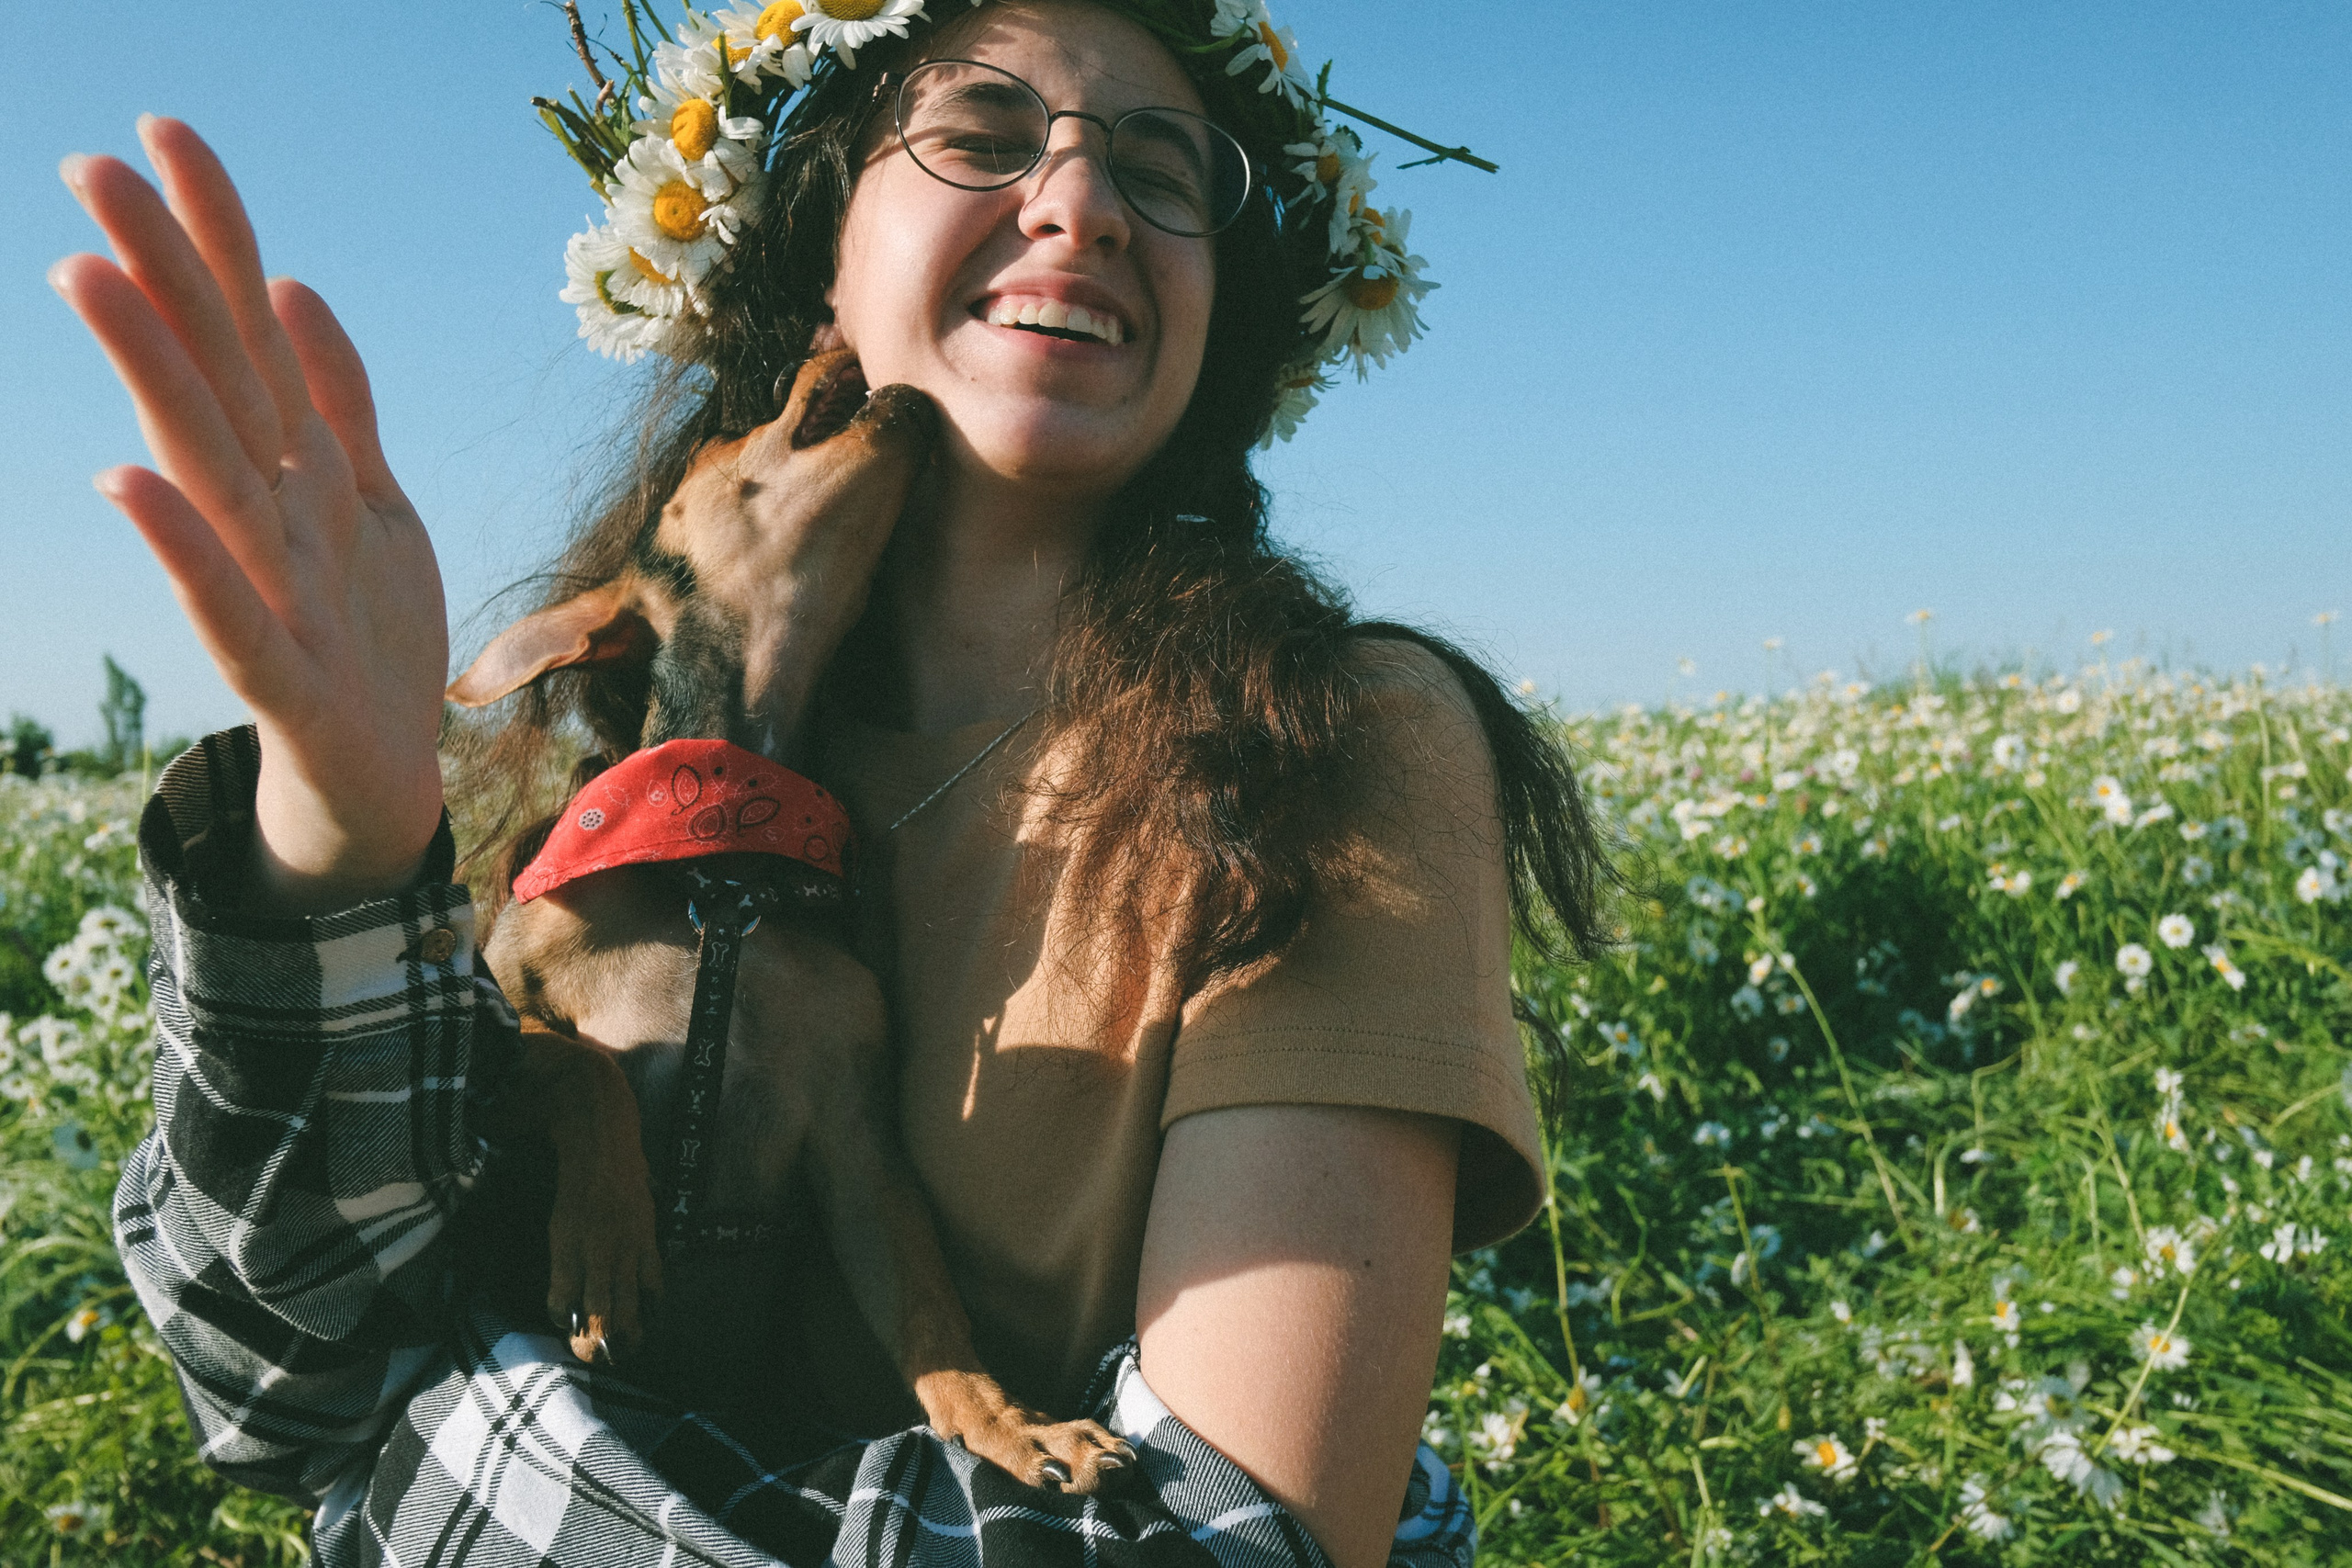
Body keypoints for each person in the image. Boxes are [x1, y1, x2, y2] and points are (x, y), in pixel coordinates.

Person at [57, 2, 1613, 1563]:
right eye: (982, 137)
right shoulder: (599, 817)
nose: (1080, 204)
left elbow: (1234, 1541)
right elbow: (276, 1390)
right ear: (823, 265)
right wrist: (335, 843)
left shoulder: (1322, 753)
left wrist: (436, 1452)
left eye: (1163, 173)